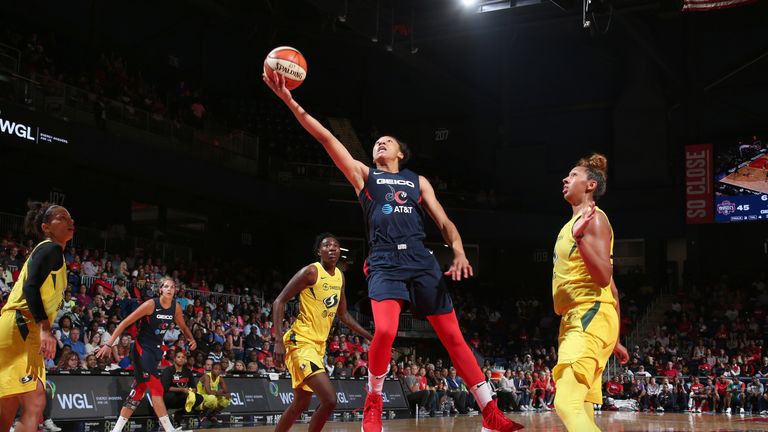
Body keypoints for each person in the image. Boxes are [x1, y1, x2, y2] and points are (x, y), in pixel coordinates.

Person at [264, 67, 523, 432]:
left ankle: (490, 412)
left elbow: (444, 223)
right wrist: (290, 101)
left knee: (454, 338)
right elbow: (324, 138)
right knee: (385, 331)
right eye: (376, 143)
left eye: (387, 142)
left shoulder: (418, 181)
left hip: (420, 259)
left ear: (401, 153)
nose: (380, 144)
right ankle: (374, 400)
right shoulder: (364, 176)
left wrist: (460, 251)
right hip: (385, 261)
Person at [551, 154, 629, 431]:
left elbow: (603, 277)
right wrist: (615, 339)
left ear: (590, 185)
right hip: (582, 318)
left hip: (589, 315)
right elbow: (614, 289)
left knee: (566, 403)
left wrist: (581, 240)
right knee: (581, 406)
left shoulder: (594, 220)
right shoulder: (571, 224)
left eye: (573, 175)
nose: (565, 179)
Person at [272, 234, 373, 432]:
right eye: (327, 245)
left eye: (336, 246)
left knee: (300, 404)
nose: (332, 248)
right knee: (329, 399)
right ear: (319, 251)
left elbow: (343, 315)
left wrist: (372, 337)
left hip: (318, 346)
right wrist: (278, 340)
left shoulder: (339, 277)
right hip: (300, 342)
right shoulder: (311, 272)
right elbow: (279, 301)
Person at [0, 202, 74, 432]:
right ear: (46, 227)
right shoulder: (49, 248)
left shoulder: (56, 255)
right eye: (61, 218)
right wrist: (44, 328)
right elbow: (30, 287)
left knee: (9, 402)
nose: (69, 221)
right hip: (22, 324)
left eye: (70, 217)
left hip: (20, 326)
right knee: (34, 401)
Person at [96, 277, 196, 432]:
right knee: (156, 388)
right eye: (166, 286)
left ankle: (116, 430)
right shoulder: (151, 305)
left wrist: (191, 338)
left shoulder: (175, 307)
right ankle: (169, 430)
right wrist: (109, 344)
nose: (169, 289)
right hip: (141, 350)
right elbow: (125, 323)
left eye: (172, 286)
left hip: (155, 351)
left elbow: (182, 326)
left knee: (139, 390)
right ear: (160, 289)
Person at [161, 351, 200, 427]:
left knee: (199, 398)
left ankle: (179, 413)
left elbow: (194, 387)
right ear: (175, 359)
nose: (181, 359)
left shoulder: (188, 371)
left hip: (184, 395)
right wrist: (182, 390)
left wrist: (192, 391)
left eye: (183, 357)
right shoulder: (168, 370)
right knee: (169, 396)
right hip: (171, 395)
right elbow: (166, 388)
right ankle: (167, 412)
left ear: (185, 360)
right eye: (178, 357)